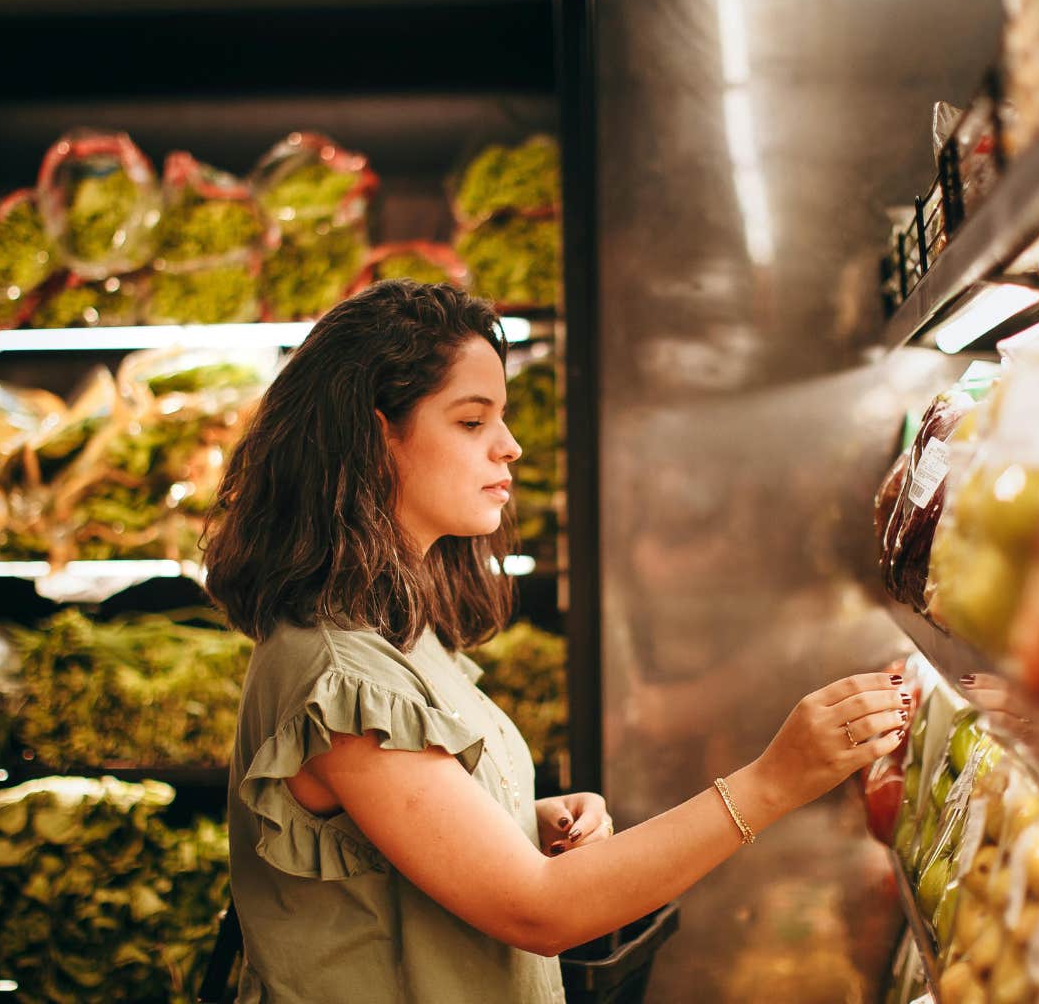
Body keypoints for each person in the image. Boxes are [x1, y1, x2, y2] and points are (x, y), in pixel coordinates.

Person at [204, 281, 909, 1004]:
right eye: (472, 421)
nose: (509, 447)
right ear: (376, 435)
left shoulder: (396, 629)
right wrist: (773, 781)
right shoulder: (339, 674)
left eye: (500, 419)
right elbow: (538, 909)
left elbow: (399, 842)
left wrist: (517, 820)